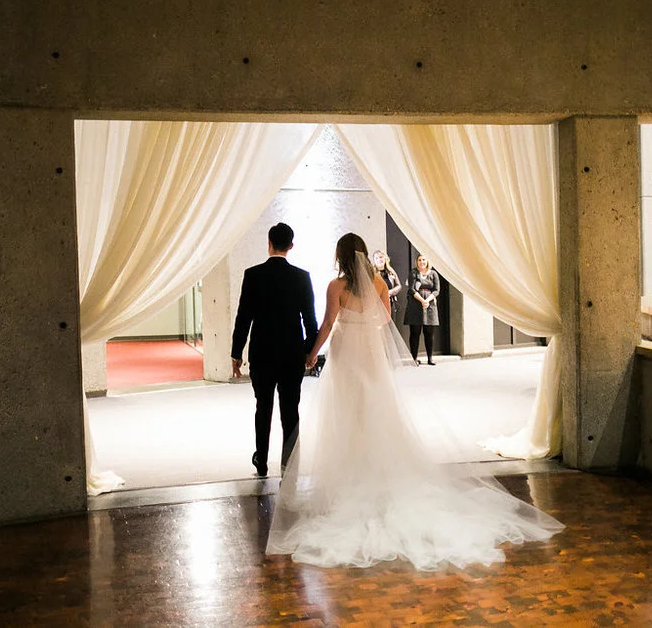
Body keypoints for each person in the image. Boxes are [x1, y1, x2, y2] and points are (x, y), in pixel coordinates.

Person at [265, 233, 563, 570]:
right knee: (375, 412)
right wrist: (364, 327)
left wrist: (313, 354)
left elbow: (329, 322)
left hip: (347, 357)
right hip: (370, 356)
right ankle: (376, 476)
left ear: (340, 256)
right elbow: (385, 320)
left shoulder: (336, 287)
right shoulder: (377, 282)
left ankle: (346, 484)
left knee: (347, 416)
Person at [231, 223, 318, 478]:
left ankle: (261, 460)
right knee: (290, 410)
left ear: (268, 243)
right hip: (291, 354)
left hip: (262, 353)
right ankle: (288, 464)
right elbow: (309, 321)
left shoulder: (253, 275)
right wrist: (309, 351)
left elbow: (243, 317)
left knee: (263, 407)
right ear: (291, 246)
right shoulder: (302, 277)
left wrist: (236, 353)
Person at [403, 253, 440, 365]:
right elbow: (411, 289)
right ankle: (414, 358)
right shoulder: (413, 273)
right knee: (415, 333)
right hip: (415, 305)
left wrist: (427, 300)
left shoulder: (434, 274)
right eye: (419, 260)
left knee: (429, 333)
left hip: (430, 306)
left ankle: (430, 358)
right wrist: (422, 301)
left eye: (424, 259)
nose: (422, 262)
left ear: (427, 261)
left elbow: (436, 290)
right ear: (417, 262)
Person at [371, 249, 402, 316]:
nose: (379, 259)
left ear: (385, 258)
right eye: (376, 258)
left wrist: (390, 292)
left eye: (381, 257)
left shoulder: (391, 271)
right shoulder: (372, 273)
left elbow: (399, 286)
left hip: (390, 303)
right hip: (377, 305)